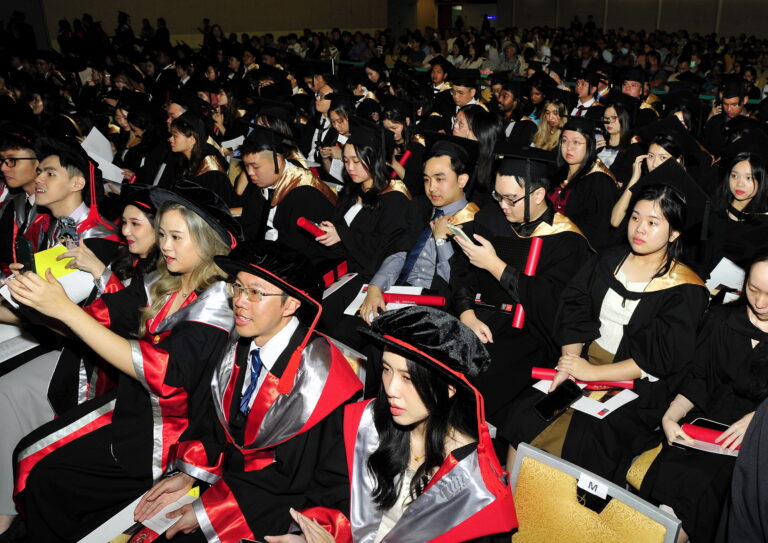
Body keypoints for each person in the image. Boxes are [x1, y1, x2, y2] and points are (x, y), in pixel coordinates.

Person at [9, 184, 241, 542]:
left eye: (176, 237)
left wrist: (65, 311)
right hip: (135, 412)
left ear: (206, 242)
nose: (165, 246)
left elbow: (162, 372)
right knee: (31, 457)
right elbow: (97, 320)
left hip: (172, 438)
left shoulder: (219, 305)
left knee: (48, 479)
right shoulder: (163, 283)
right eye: (162, 234)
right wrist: (35, 299)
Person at [132, 240, 364, 542]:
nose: (240, 301)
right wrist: (190, 475)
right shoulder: (239, 345)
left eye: (255, 292)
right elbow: (219, 429)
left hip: (278, 515)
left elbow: (296, 482)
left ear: (291, 305)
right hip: (228, 489)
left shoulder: (321, 381)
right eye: (238, 288)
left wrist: (208, 512)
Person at [503, 180, 709, 485]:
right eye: (635, 217)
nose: (639, 229)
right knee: (529, 415)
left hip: (633, 381)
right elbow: (574, 309)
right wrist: (570, 364)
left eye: (653, 223)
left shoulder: (685, 288)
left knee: (588, 435)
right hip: (583, 361)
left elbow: (659, 357)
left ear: (674, 233)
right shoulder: (607, 260)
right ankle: (508, 499)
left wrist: (593, 373)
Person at [267, 306, 518, 543]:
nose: (391, 389)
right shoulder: (367, 425)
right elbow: (328, 499)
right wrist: (309, 534)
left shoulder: (475, 484)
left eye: (407, 377)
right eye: (387, 370)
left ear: (449, 388)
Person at [452, 144, 592, 420]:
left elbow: (552, 305)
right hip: (478, 316)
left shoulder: (567, 241)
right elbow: (462, 273)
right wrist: (467, 314)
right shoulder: (491, 217)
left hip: (528, 334)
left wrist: (494, 265)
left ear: (538, 194)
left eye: (511, 199)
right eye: (498, 196)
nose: (502, 205)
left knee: (476, 379)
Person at [637, 253, 768, 543]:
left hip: (759, 442)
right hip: (707, 426)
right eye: (753, 289)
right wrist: (670, 417)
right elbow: (699, 381)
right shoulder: (722, 320)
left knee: (710, 487)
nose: (760, 303)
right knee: (673, 486)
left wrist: (760, 418)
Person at [360, 135, 479, 323]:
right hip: (399, 292)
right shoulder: (418, 207)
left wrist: (441, 241)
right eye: (426, 180)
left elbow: (459, 284)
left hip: (438, 305)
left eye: (439, 179)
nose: (431, 188)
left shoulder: (475, 222)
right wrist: (375, 287)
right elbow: (399, 251)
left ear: (462, 180)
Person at [235, 126, 337, 264]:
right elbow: (250, 226)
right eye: (246, 166)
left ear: (277, 161)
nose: (250, 172)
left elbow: (299, 249)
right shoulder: (260, 182)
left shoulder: (304, 191)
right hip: (268, 254)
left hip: (304, 264)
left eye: (255, 166)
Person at [549, 116, 620, 251]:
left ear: (589, 145)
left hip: (578, 250)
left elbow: (599, 232)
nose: (569, 147)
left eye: (576, 142)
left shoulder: (599, 181)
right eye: (564, 141)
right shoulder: (557, 172)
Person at [169, 112, 236, 205]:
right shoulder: (183, 161)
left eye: (175, 136)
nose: (170, 139)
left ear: (192, 140)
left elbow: (217, 205)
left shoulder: (210, 169)